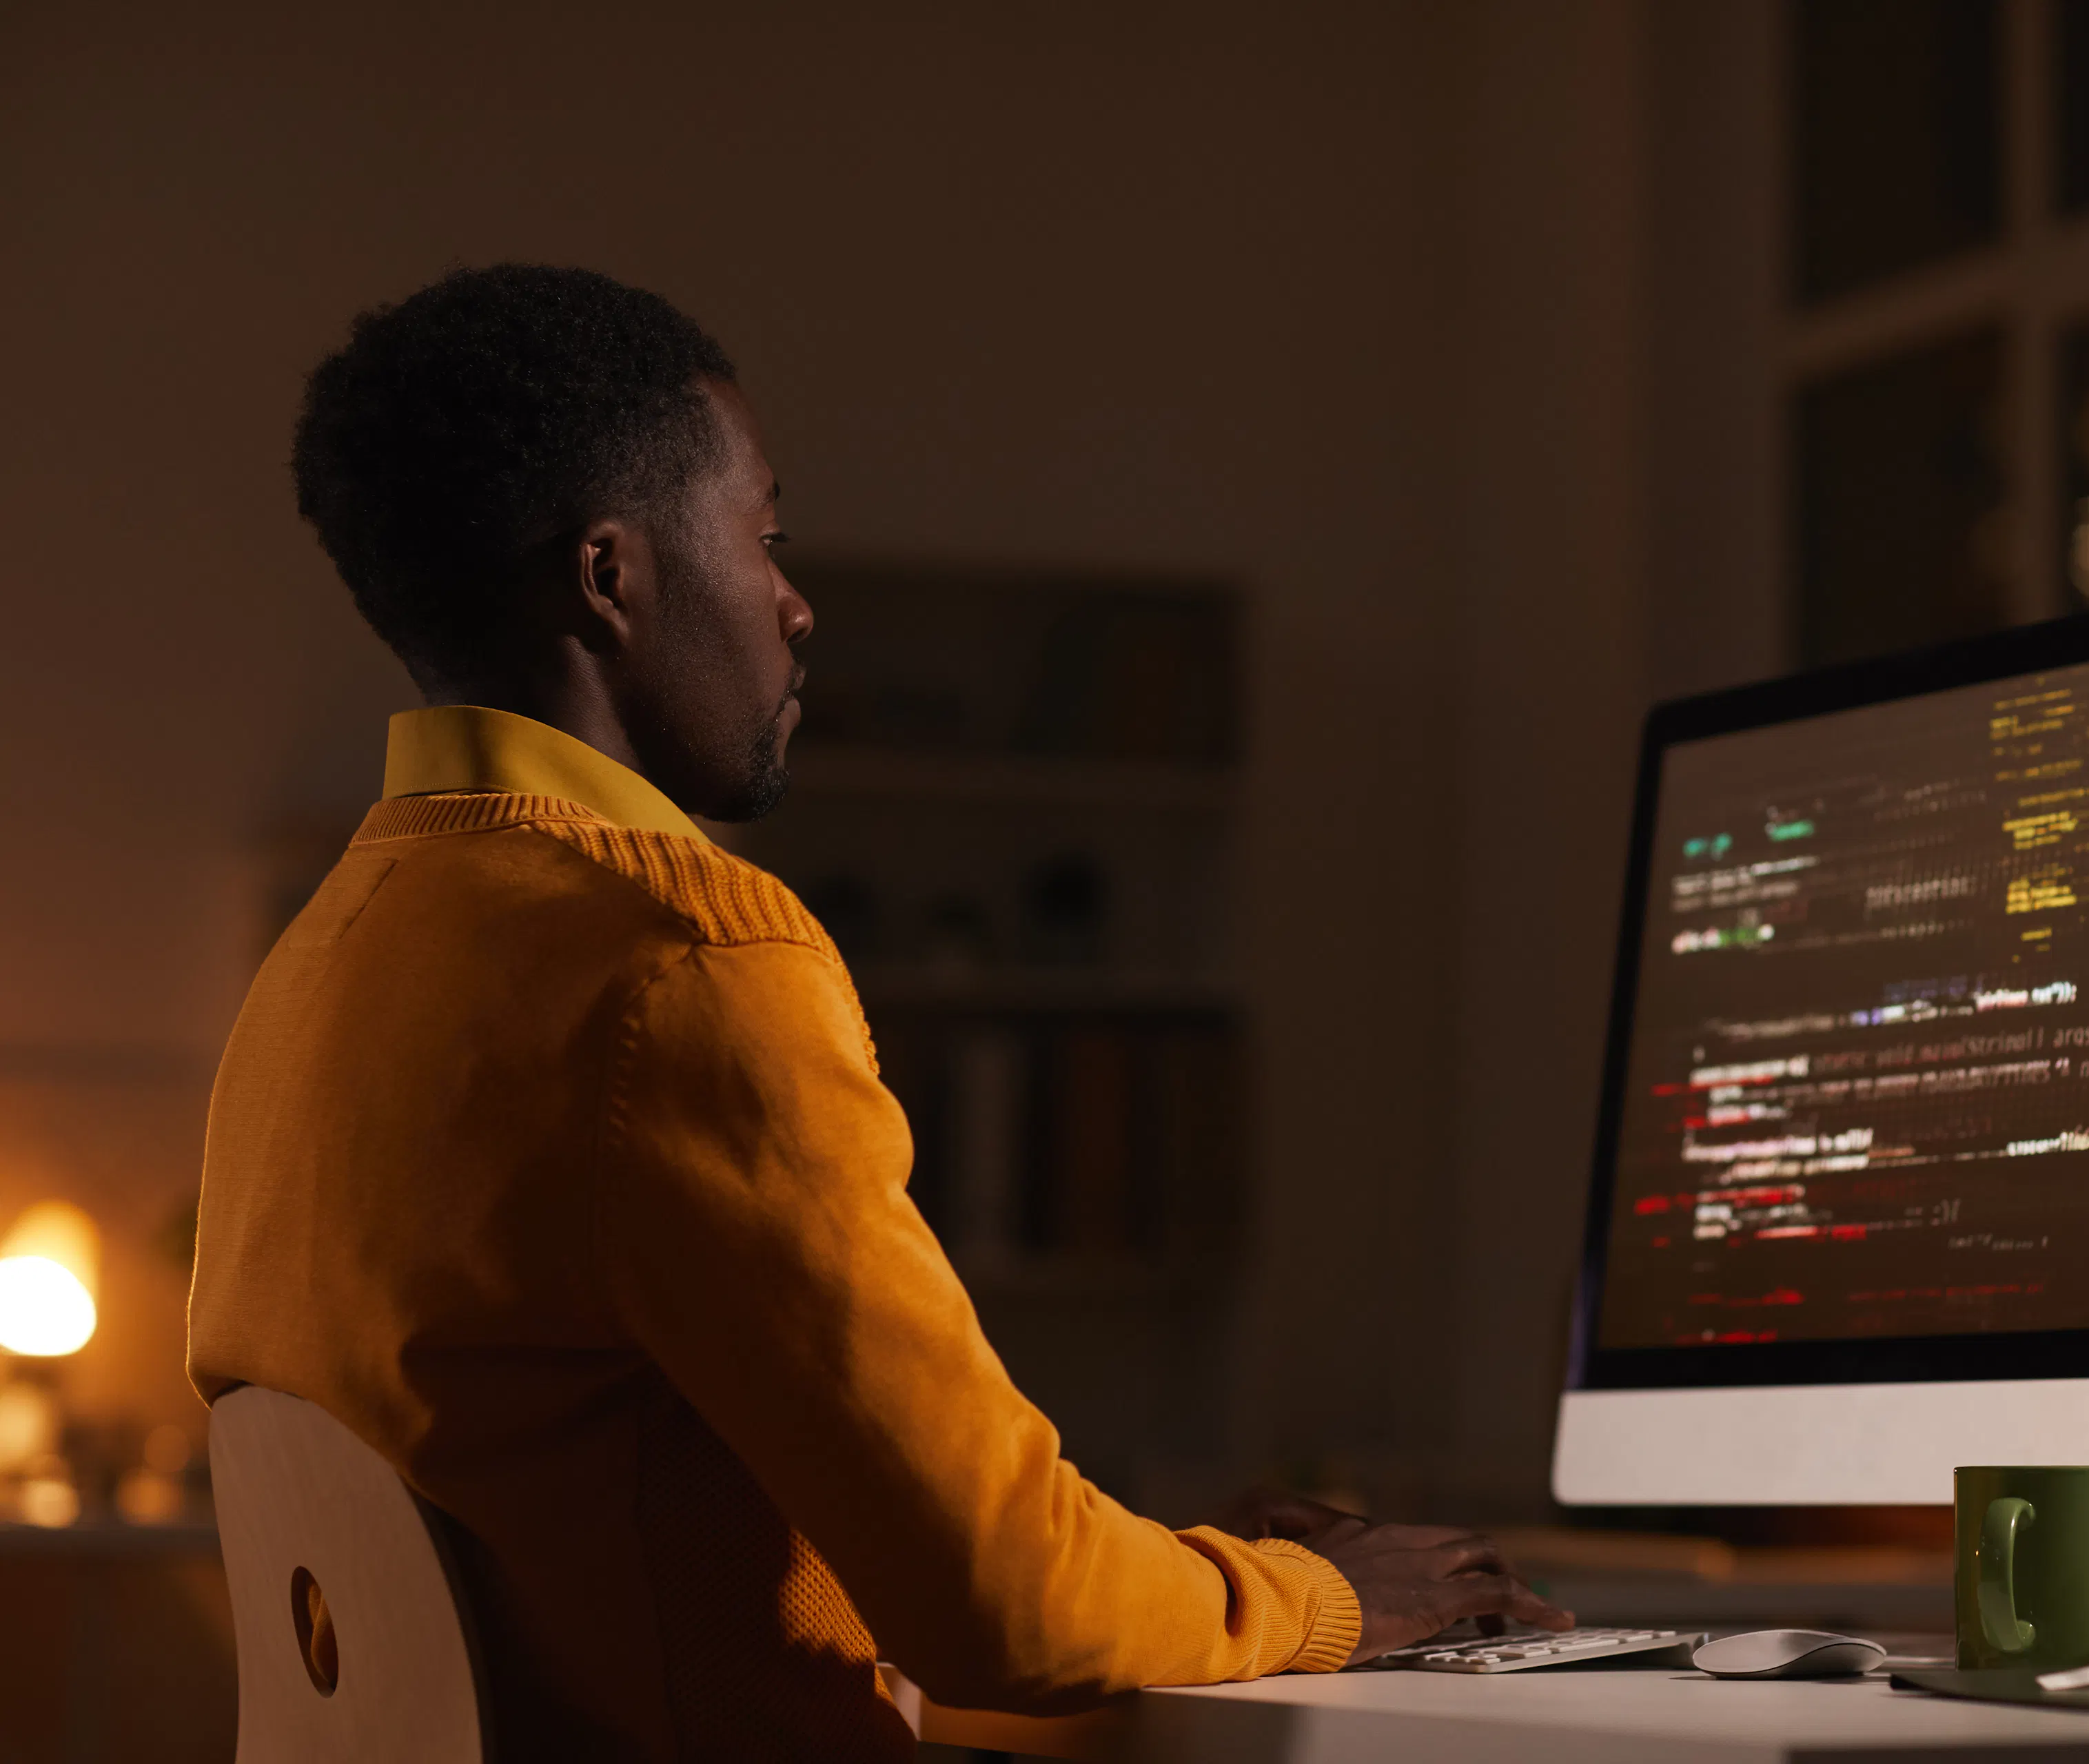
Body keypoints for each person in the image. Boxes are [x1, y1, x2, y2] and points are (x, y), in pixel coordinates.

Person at [188, 264, 1569, 1760]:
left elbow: (656, 1542)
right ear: (611, 575)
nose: (795, 601)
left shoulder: (321, 961)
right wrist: (1319, 1596)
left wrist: (1176, 1578)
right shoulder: (684, 963)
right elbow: (1002, 1616)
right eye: (762, 536)